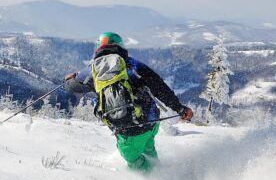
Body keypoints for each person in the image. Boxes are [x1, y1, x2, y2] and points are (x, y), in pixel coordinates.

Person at [64, 31, 194, 171]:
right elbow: (160, 87)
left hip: (128, 132)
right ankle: (161, 172)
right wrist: (180, 108)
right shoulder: (133, 65)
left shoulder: (92, 70)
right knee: (148, 149)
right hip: (151, 123)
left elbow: (74, 87)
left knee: (135, 162)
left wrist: (68, 79)